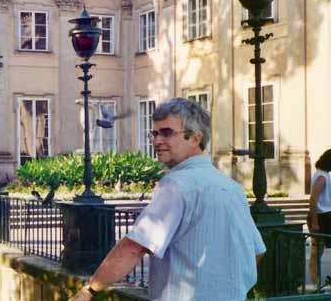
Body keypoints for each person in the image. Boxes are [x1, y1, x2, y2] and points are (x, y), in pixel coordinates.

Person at [69, 98, 266, 301]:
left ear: (195, 139)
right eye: (154, 133)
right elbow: (256, 251)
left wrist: (88, 290)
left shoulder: (176, 185)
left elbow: (133, 248)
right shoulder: (232, 188)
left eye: (167, 133)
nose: (156, 141)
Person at [308, 148, 331, 284]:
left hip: (325, 217)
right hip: (322, 218)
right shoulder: (322, 176)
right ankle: (315, 282)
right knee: (316, 252)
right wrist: (315, 222)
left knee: (317, 252)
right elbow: (313, 200)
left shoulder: (324, 175)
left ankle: (318, 281)